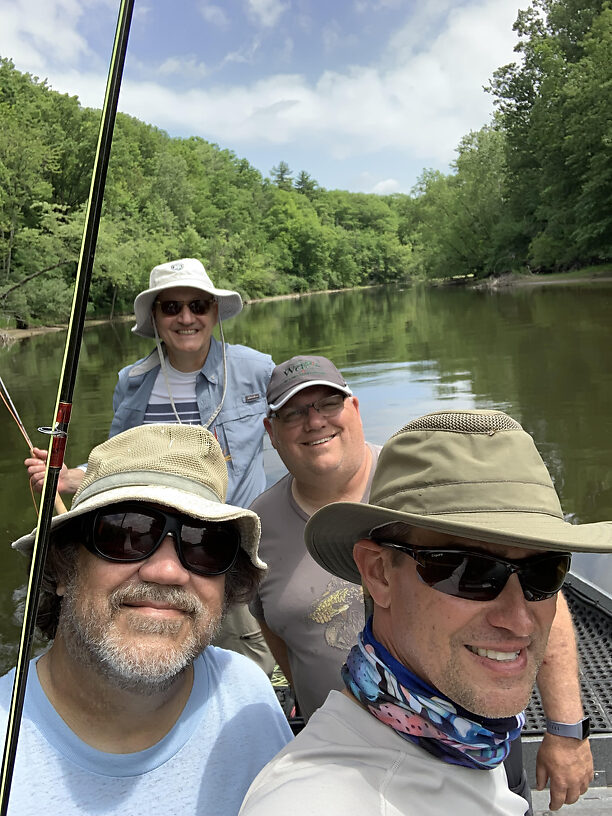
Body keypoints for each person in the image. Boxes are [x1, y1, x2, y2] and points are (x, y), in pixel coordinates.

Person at [240, 409, 612, 816]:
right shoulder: (314, 801)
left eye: (545, 571)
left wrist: (567, 728)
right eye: (472, 571)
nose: (519, 619)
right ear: (378, 573)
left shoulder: (466, 733)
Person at [5, 423, 292, 815]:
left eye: (205, 543)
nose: (167, 572)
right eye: (127, 534)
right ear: (60, 567)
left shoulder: (247, 692)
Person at [25, 258, 274, 673]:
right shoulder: (133, 381)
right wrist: (71, 478)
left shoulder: (256, 370)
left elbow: (306, 429)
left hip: (229, 542)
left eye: (198, 305)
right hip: (160, 542)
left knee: (244, 649)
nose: (187, 318)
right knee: (172, 641)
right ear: (155, 318)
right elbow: (122, 463)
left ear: (214, 312)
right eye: (171, 307)